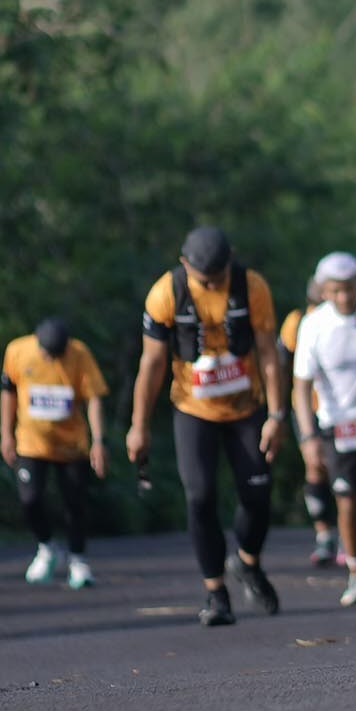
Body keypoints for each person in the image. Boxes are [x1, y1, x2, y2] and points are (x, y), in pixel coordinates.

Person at [126, 224, 287, 628]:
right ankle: (216, 593)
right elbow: (152, 364)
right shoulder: (165, 293)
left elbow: (268, 353)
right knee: (199, 497)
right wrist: (138, 426)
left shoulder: (252, 287)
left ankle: (247, 562)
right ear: (184, 263)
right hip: (193, 410)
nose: (213, 284)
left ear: (230, 260)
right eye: (205, 279)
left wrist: (276, 415)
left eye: (219, 276)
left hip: (246, 408)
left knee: (258, 494)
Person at [291, 252, 356, 607]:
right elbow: (301, 386)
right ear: (323, 291)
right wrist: (308, 436)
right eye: (335, 290)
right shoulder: (313, 324)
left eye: (349, 289)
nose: (343, 297)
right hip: (335, 423)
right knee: (347, 500)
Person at [0, 315, 108, 590]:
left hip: (71, 445)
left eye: (57, 355)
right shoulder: (17, 351)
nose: (51, 359)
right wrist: (6, 434)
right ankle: (46, 547)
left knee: (74, 503)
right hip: (31, 443)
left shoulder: (80, 354)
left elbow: (94, 398)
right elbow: (8, 392)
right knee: (30, 498)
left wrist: (98, 441)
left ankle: (78, 560)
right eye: (47, 354)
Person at [282, 283, 339, 567]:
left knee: (346, 469)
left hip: (341, 406)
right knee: (315, 466)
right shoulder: (296, 322)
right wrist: (278, 412)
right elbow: (282, 366)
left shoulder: (346, 319)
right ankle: (324, 534)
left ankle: (349, 531)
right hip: (308, 407)